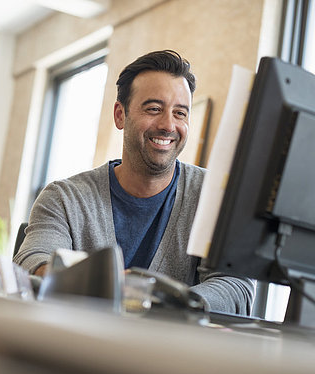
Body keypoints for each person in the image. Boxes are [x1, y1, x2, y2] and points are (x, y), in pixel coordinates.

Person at [13, 50, 254, 315]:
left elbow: (235, 287)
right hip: (82, 347)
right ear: (120, 115)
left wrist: (158, 299)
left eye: (180, 113)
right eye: (154, 109)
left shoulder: (214, 197)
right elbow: (32, 261)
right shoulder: (64, 197)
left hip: (170, 354)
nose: (168, 125)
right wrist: (99, 287)